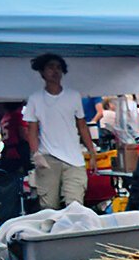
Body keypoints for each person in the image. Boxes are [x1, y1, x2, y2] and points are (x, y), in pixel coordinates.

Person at [23, 54, 98, 210]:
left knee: (75, 205)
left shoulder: (74, 96)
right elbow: (32, 129)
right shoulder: (35, 99)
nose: (55, 71)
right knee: (48, 207)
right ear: (42, 72)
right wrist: (35, 153)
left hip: (74, 158)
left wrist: (92, 151)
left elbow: (82, 125)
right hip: (48, 157)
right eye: (50, 67)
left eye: (58, 67)